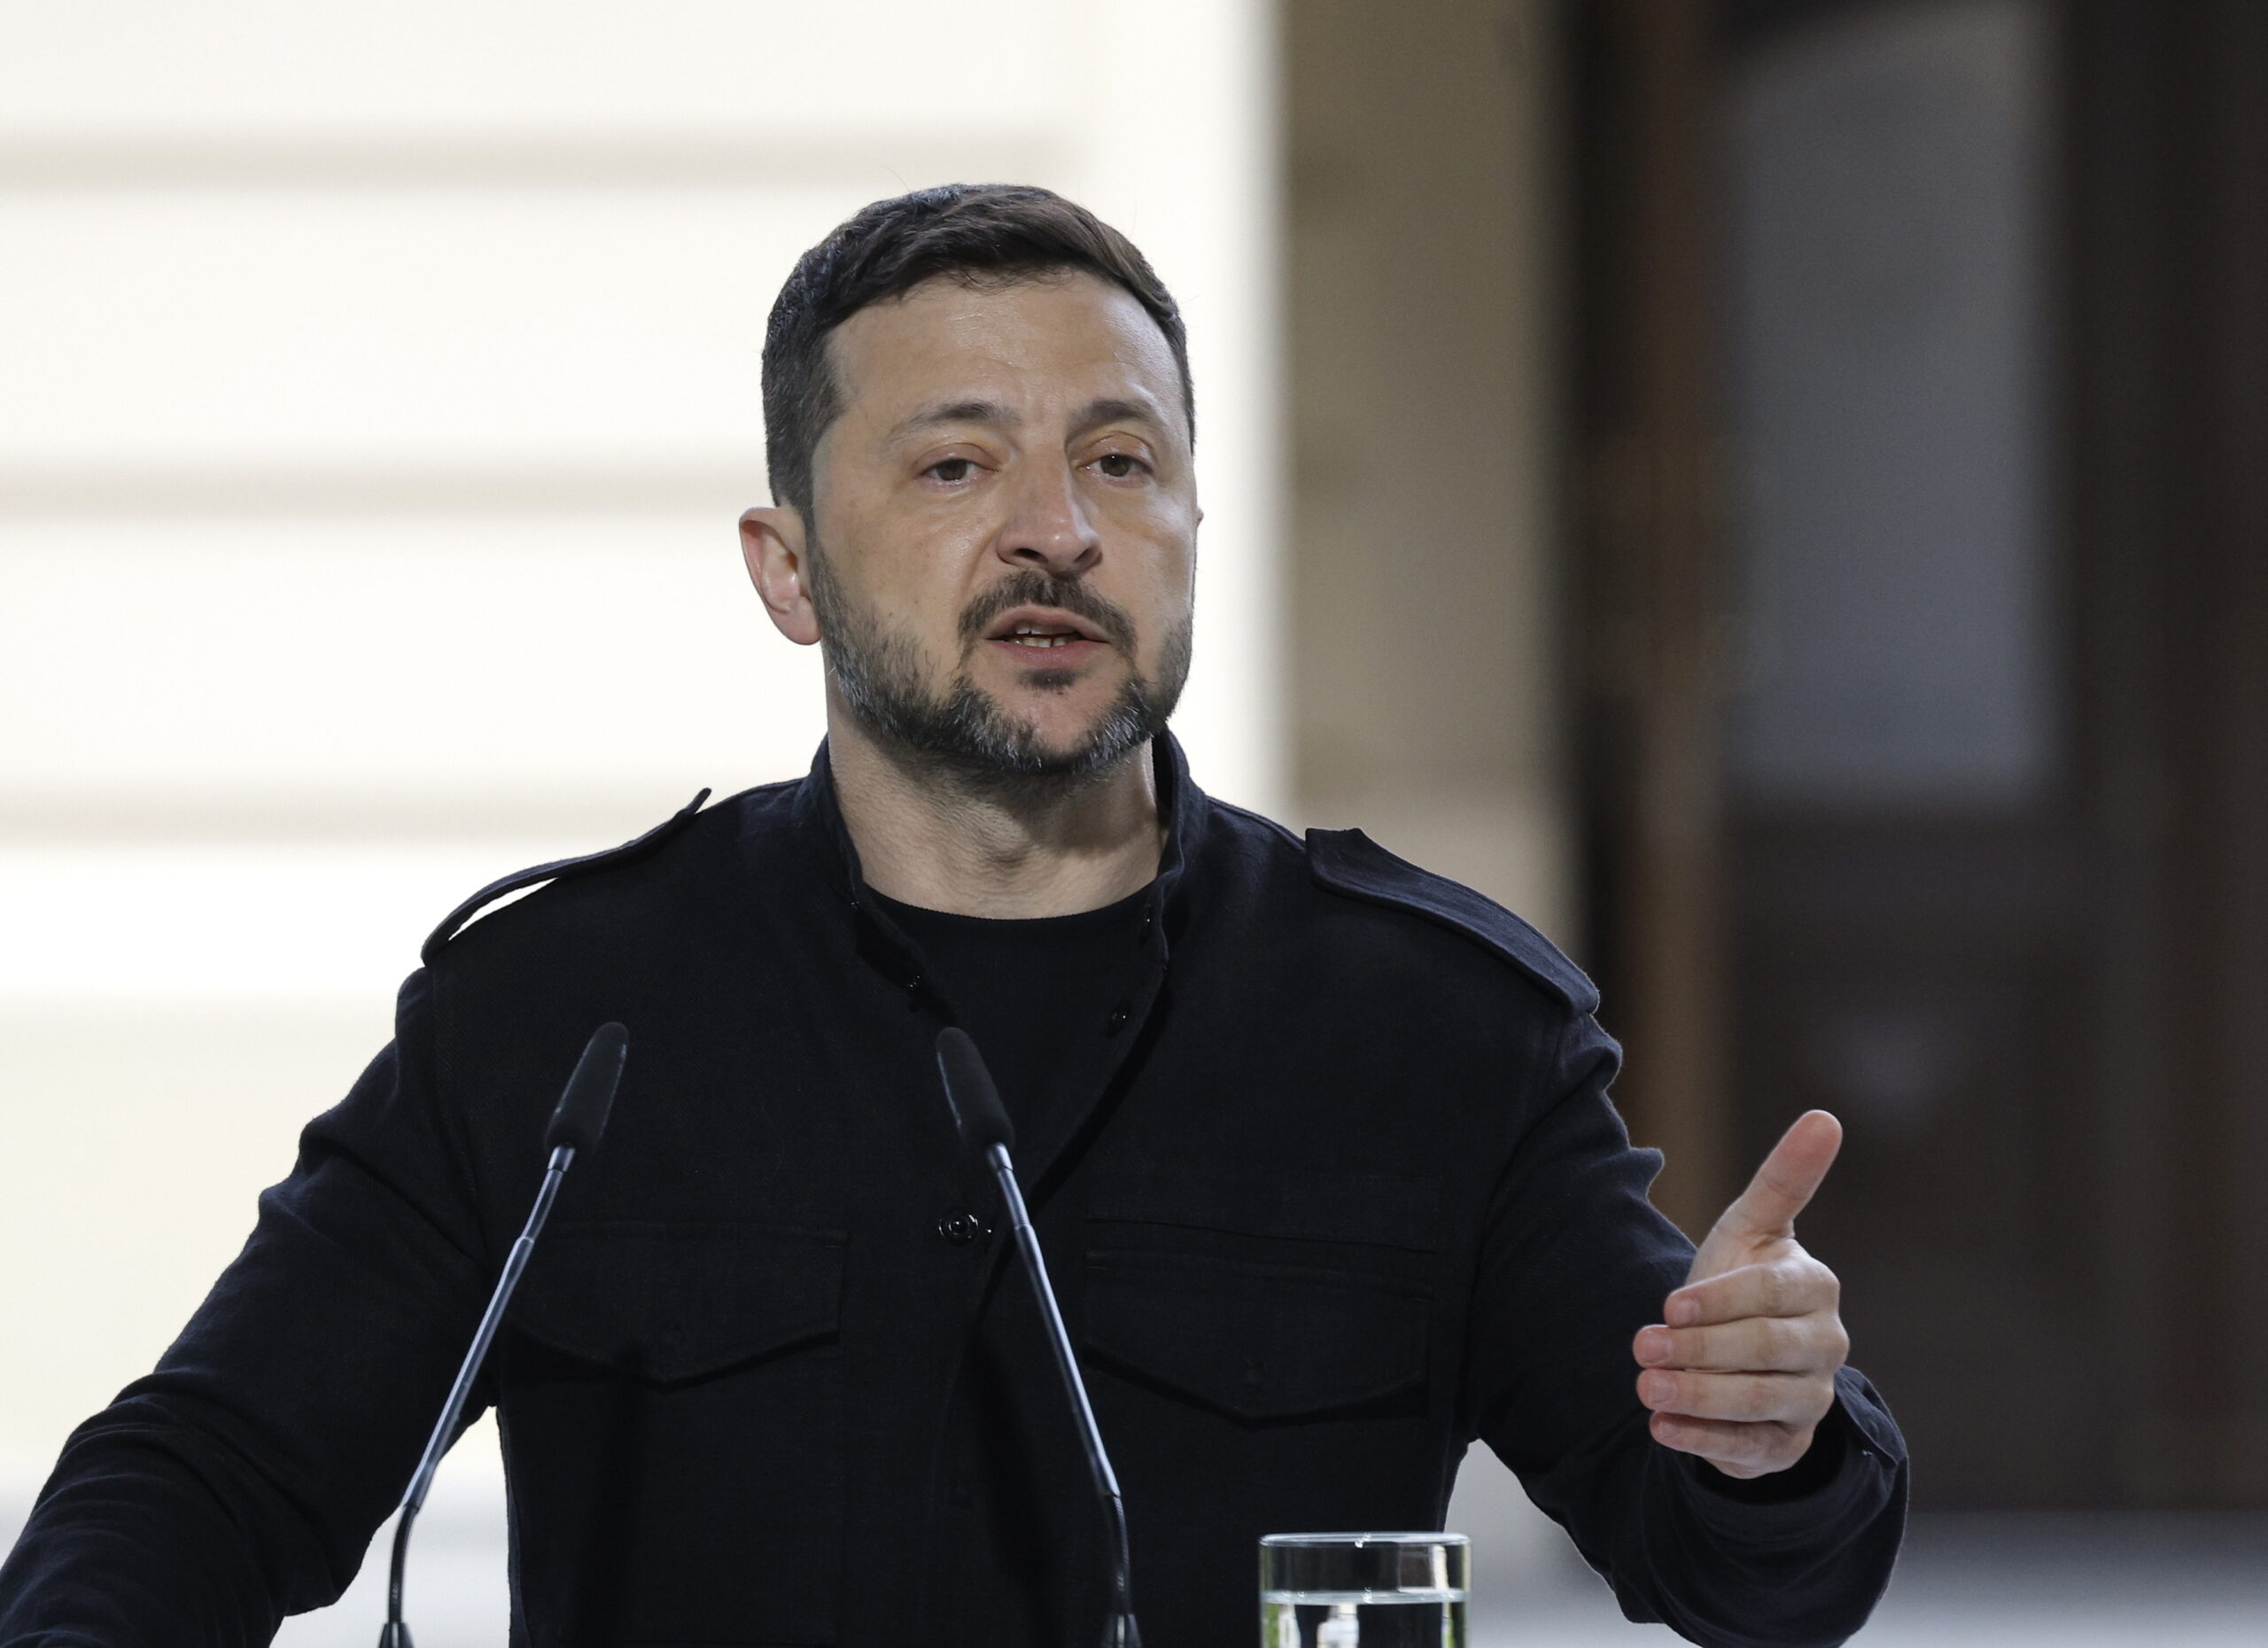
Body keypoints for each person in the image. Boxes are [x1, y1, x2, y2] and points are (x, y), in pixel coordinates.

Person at [0, 184, 1904, 1646]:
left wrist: (1769, 1435)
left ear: (1188, 534)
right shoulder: (563, 1017)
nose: (1057, 529)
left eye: (1120, 461)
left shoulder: (1435, 1028)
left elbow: (1751, 1571)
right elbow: (204, 1476)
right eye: (954, 463)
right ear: (790, 570)